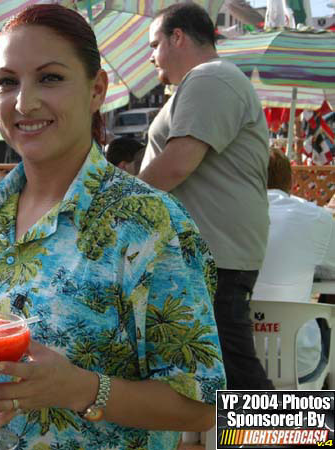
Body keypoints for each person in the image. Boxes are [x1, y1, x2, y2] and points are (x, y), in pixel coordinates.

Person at [0, 5, 224, 449]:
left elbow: (202, 402)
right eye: (7, 82)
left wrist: (82, 390)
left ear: (96, 90)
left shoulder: (150, 226)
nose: (24, 102)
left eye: (50, 78)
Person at [138, 3, 272, 390]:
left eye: (154, 44)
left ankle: (307, 438)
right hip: (213, 253)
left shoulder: (210, 78)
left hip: (215, 255)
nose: (151, 57)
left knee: (238, 375)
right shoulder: (207, 81)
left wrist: (118, 202)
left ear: (177, 37)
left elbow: (178, 163)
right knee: (226, 370)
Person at [252, 148, 334, 380]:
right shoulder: (315, 218)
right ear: (291, 181)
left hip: (233, 361)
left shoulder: (221, 217)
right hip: (298, 364)